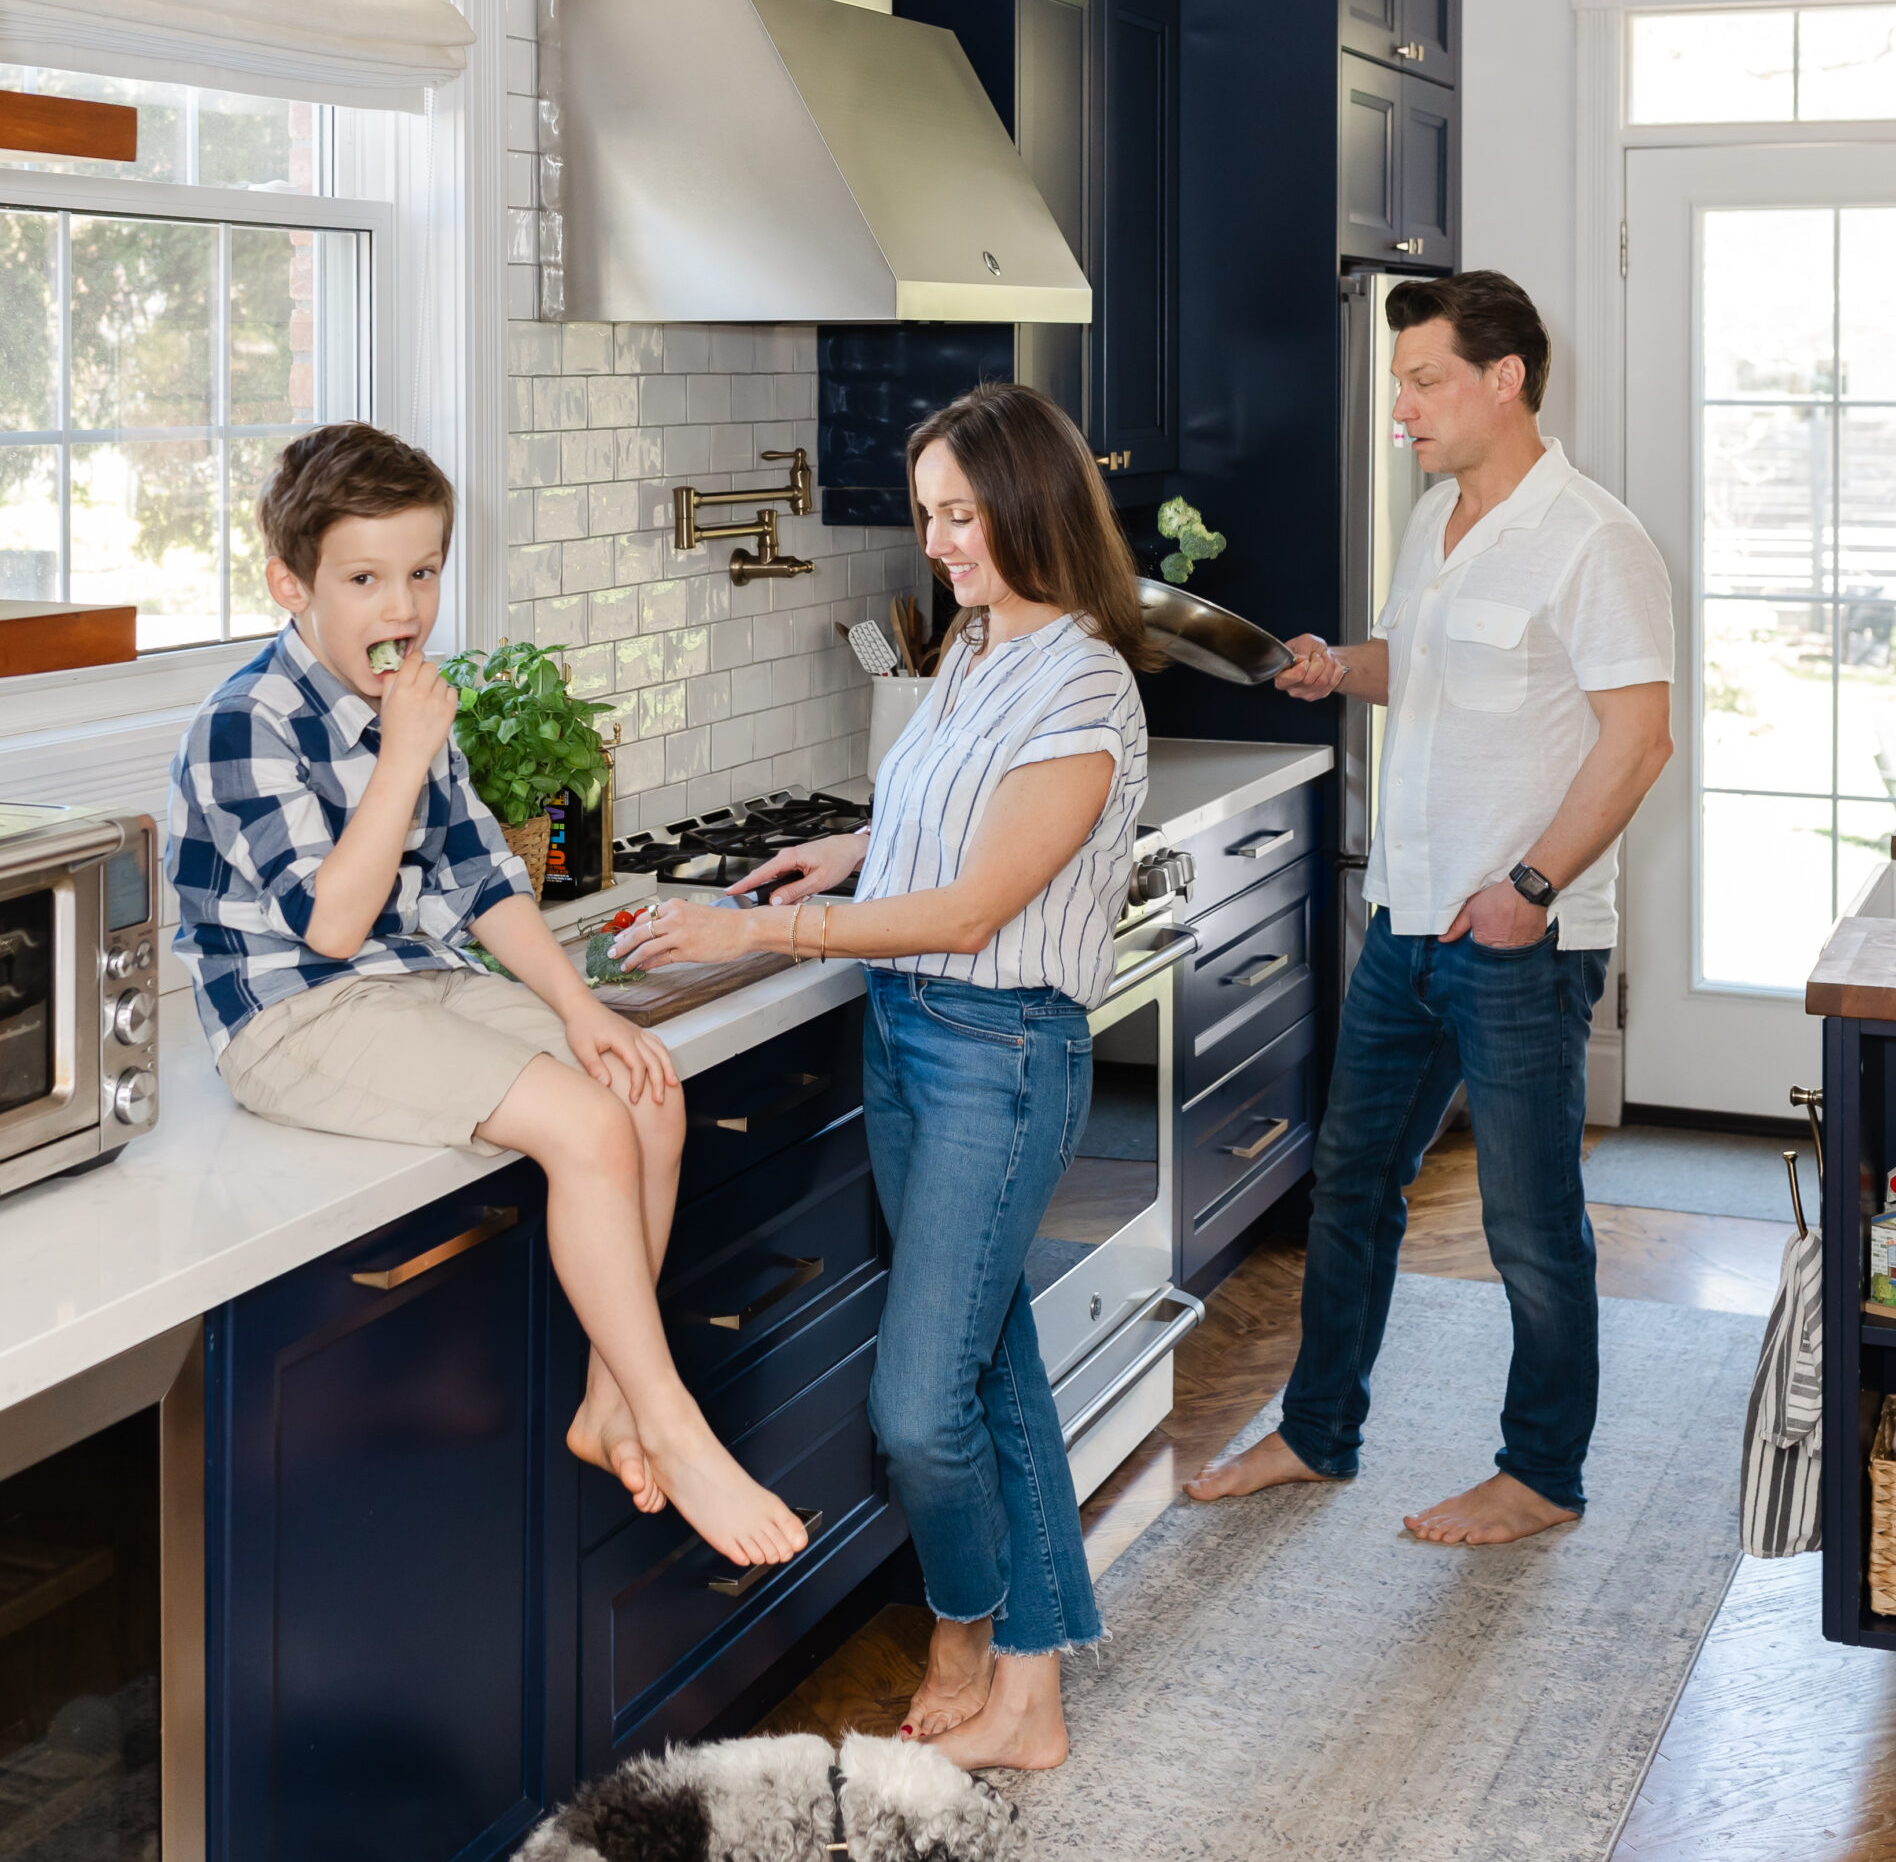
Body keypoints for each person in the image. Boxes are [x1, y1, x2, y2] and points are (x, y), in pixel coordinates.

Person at [615, 383, 1160, 1770]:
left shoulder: (1085, 681)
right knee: (995, 1369)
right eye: (928, 517)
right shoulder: (977, 649)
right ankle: (1028, 1696)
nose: (941, 544)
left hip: (998, 1056)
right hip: (909, 1040)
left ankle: (967, 1629)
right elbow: (947, 823)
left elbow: (979, 907)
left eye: (962, 515)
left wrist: (758, 926)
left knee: (919, 1406)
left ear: (1031, 504)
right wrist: (852, 852)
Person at [166, 420, 808, 1572]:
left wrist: (581, 1009)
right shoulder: (245, 723)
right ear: (290, 583)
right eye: (364, 579)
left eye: (420, 573)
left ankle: (610, 1400)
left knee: (641, 1089)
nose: (401, 605)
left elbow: (478, 876)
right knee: (584, 1126)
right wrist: (406, 750)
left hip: (413, 985)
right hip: (290, 1016)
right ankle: (672, 1422)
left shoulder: (413, 699)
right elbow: (330, 923)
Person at [1188, 272, 1674, 1544]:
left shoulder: (1592, 539)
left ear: (1502, 379)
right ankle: (1315, 1429)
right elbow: (1421, 661)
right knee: (1348, 1186)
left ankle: (1539, 1474)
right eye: (1397, 380)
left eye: (1422, 380)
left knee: (1525, 1221)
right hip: (1404, 921)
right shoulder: (1438, 520)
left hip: (1519, 937)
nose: (1399, 406)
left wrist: (1528, 888)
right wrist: (1339, 666)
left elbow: (1638, 740)